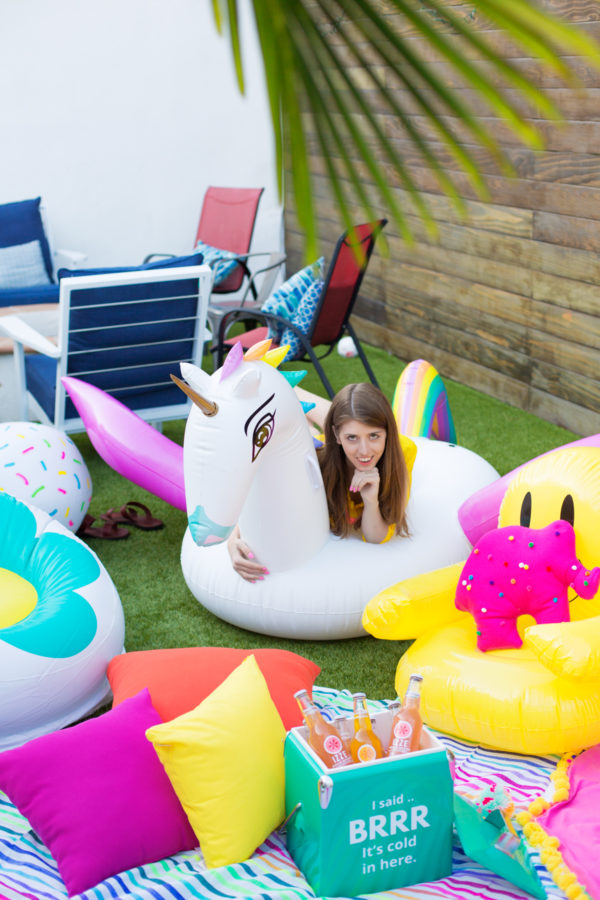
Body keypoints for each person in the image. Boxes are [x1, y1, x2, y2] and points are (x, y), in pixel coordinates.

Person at [228, 382, 410, 582]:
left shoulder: (402, 454)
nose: (365, 451)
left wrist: (371, 501)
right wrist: (233, 538)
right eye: (352, 438)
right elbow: (266, 493)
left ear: (387, 433)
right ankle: (285, 389)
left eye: (374, 436)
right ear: (337, 436)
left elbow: (376, 538)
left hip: (336, 440)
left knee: (342, 418)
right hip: (324, 446)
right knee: (310, 428)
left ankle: (293, 392)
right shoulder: (315, 459)